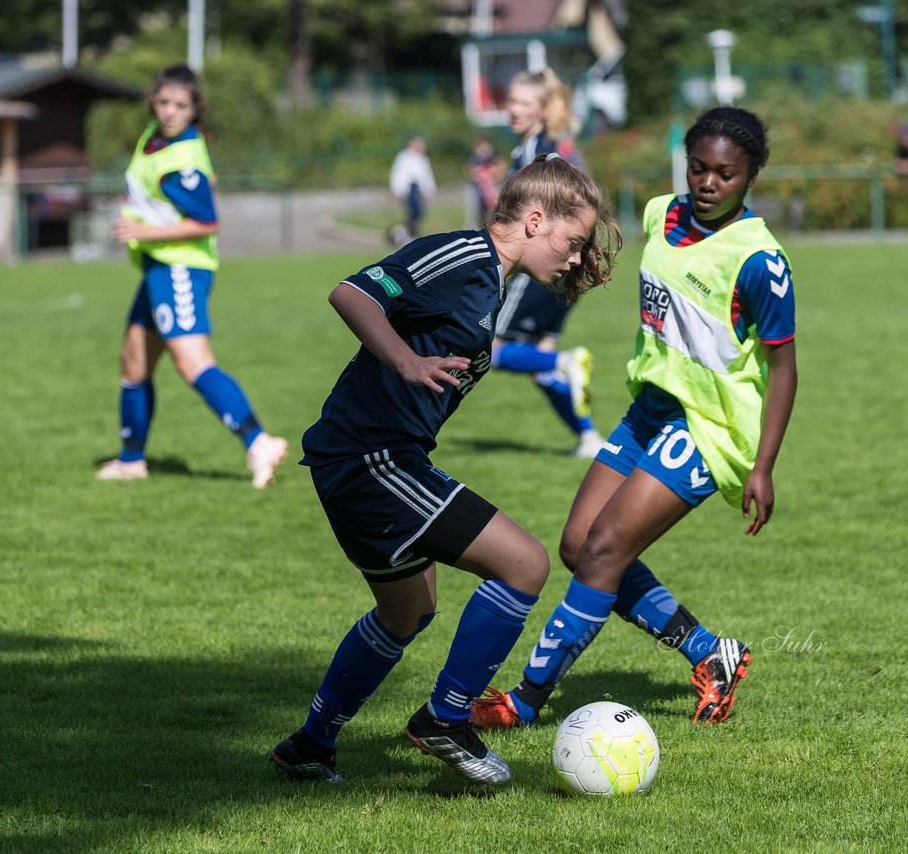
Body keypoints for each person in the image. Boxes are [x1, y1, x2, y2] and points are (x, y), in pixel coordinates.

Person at [268, 154, 621, 787]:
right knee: (525, 564)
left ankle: (310, 745)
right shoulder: (461, 255)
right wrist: (404, 361)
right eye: (572, 242)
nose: (574, 258)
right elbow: (351, 293)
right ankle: (446, 717)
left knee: (408, 613)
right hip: (370, 456)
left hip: (373, 457)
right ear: (535, 220)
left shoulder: (493, 281)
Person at [472, 106, 798, 731]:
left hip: (710, 427)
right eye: (697, 168)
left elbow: (783, 369)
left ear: (751, 175)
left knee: (605, 548)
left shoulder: (760, 262)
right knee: (578, 546)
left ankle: (524, 701)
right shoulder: (661, 214)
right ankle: (710, 654)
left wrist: (764, 465)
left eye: (724, 174)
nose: (707, 183)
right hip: (650, 409)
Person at [96, 64, 289, 488]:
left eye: (180, 105)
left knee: (192, 362)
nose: (169, 111)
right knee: (133, 361)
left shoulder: (181, 158)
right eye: (163, 102)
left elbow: (206, 222)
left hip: (180, 267)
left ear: (194, 109)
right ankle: (131, 460)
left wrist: (144, 231)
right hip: (156, 267)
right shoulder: (157, 138)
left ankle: (259, 442)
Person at [494, 68, 604, 458]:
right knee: (542, 368)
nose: (513, 109)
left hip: (542, 268)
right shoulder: (533, 149)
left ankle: (566, 360)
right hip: (564, 265)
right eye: (511, 100)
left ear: (542, 109)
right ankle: (589, 437)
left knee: (492, 348)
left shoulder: (538, 154)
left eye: (523, 103)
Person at [388, 136, 437, 246]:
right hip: (409, 188)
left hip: (417, 189)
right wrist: (398, 190)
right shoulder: (404, 157)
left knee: (419, 213)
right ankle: (406, 234)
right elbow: (399, 175)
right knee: (413, 212)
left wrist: (429, 188)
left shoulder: (422, 158)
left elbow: (425, 175)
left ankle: (407, 233)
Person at [466, 131, 505, 223]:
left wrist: (494, 178)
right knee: (477, 212)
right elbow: (469, 171)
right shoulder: (474, 159)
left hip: (493, 187)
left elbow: (502, 169)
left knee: (494, 209)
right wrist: (478, 177)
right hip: (478, 188)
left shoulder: (494, 157)